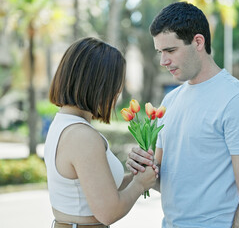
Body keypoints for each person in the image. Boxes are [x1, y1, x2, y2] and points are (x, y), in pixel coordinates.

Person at [126, 2, 239, 228]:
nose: (163, 61)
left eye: (170, 50)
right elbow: (164, 180)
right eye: (160, 52)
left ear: (198, 42)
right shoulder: (169, 102)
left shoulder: (237, 101)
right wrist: (143, 167)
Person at [44, 37, 157, 228]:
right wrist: (139, 185)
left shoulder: (64, 124)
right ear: (98, 85)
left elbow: (96, 189)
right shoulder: (82, 136)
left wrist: (138, 176)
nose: (118, 93)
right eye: (115, 85)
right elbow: (108, 212)